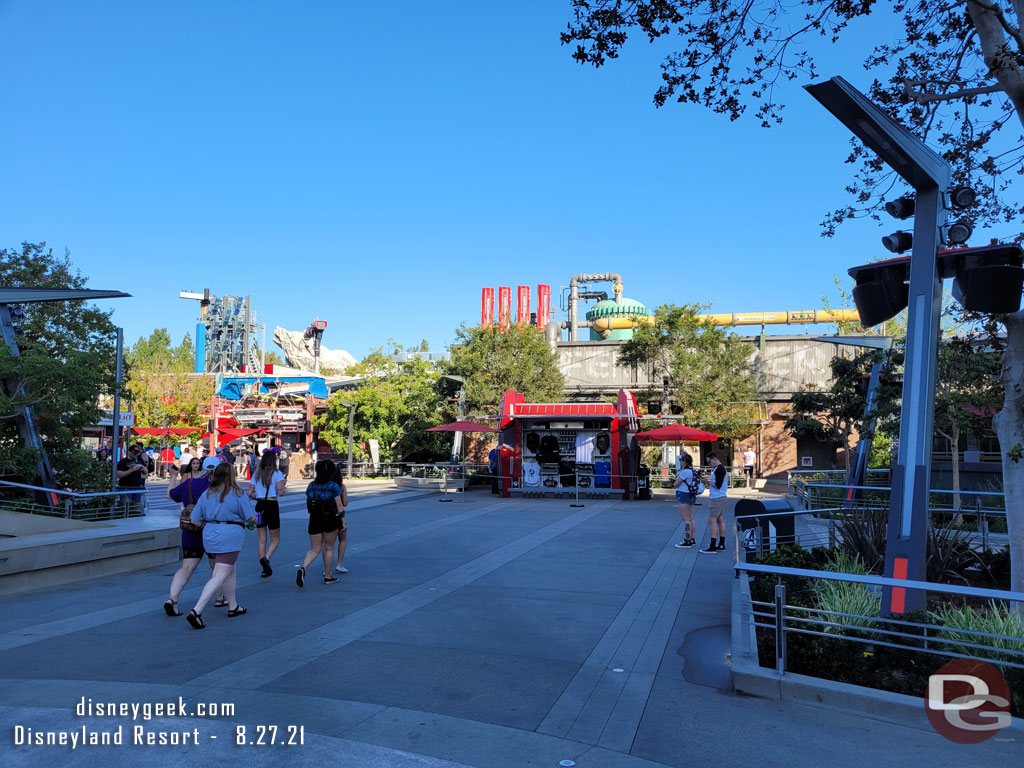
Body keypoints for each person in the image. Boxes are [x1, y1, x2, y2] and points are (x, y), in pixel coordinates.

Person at [184, 463, 256, 629]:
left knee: (229, 569)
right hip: (229, 536)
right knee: (220, 574)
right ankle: (197, 610)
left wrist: (207, 526)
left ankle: (233, 606)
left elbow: (194, 519)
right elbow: (250, 517)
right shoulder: (237, 493)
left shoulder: (207, 494)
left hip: (209, 535)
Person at [163, 457, 217, 617]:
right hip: (211, 531)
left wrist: (173, 476)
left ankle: (172, 598)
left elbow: (171, 495)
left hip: (189, 530)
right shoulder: (217, 487)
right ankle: (220, 598)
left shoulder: (189, 483)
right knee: (218, 568)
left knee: (186, 567)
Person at [297, 459, 342, 587]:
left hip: (314, 518)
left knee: (314, 549)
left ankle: (303, 568)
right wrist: (343, 521)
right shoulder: (333, 486)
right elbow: (339, 505)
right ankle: (328, 576)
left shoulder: (311, 485)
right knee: (329, 548)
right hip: (329, 519)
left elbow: (309, 500)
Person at [248, 450, 286, 578]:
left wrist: (258, 497)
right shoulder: (277, 474)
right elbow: (280, 493)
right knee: (275, 538)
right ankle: (266, 558)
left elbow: (249, 493)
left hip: (260, 506)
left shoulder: (257, 474)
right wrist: (283, 486)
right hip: (272, 506)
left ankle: (263, 568)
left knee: (261, 539)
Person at [701, 452, 729, 554]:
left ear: (713, 459)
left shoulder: (720, 469)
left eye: (709, 462)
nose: (709, 464)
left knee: (712, 520)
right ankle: (721, 544)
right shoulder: (718, 469)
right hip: (720, 497)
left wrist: (706, 481)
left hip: (717, 498)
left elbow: (717, 485)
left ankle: (713, 546)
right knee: (720, 520)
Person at [326, 463, 350, 574]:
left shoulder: (325, 486)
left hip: (326, 515)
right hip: (339, 516)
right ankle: (339, 564)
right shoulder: (341, 487)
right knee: (342, 540)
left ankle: (327, 569)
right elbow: (345, 503)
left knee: (326, 544)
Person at [116, 443, 152, 515]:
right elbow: (119, 474)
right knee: (126, 504)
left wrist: (142, 468)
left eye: (137, 453)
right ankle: (126, 517)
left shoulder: (139, 460)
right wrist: (131, 470)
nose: (135, 455)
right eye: (134, 453)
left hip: (137, 486)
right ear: (129, 452)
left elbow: (145, 473)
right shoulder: (123, 462)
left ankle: (137, 515)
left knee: (138, 504)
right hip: (125, 486)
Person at [672, 453, 699, 548]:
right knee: (691, 518)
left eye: (680, 460)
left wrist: (674, 482)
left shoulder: (684, 472)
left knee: (686, 519)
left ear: (684, 461)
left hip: (683, 495)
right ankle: (692, 539)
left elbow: (676, 484)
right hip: (691, 495)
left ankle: (687, 540)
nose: (680, 462)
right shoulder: (693, 471)